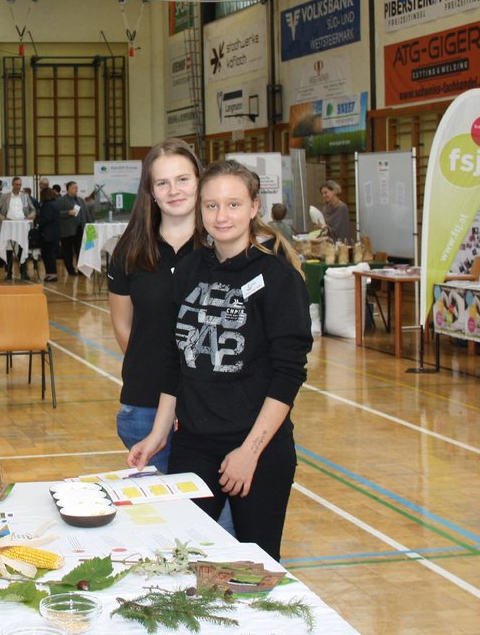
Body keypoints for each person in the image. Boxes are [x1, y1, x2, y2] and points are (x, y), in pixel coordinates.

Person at [128, 159, 312, 561]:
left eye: (233, 204)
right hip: (194, 445)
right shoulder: (189, 270)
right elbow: (176, 361)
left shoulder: (279, 279)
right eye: (211, 206)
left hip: (258, 448)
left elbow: (287, 376)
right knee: (183, 559)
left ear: (254, 207)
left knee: (253, 567)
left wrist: (250, 452)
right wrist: (158, 435)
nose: (221, 216)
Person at [107, 139, 201, 473]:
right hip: (145, 404)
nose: (174, 190)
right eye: (163, 183)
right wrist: (159, 381)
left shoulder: (219, 247)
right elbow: (123, 326)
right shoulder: (130, 251)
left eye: (183, 179)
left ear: (199, 181)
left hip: (207, 405)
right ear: (151, 191)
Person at [0, 176, 36, 280]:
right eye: (16, 184)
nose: (18, 186)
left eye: (20, 184)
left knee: (22, 247)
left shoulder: (25, 196)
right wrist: (3, 218)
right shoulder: (5, 196)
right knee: (9, 248)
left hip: (22, 226)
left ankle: (23, 272)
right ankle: (8, 272)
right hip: (9, 226)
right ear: (12, 185)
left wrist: (30, 216)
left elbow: (33, 210)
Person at [58, 181, 93, 276]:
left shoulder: (80, 200)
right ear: (68, 189)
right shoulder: (61, 200)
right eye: (74, 188)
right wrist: (68, 213)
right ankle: (70, 270)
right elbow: (56, 213)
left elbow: (86, 213)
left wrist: (91, 225)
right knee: (68, 252)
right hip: (67, 230)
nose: (76, 189)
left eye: (77, 188)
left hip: (80, 229)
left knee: (80, 251)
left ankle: (81, 269)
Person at [36, 186, 62, 282]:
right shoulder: (55, 203)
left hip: (48, 234)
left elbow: (46, 218)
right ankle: (50, 274)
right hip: (54, 233)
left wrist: (36, 221)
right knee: (50, 255)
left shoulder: (47, 205)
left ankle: (51, 274)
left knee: (48, 255)